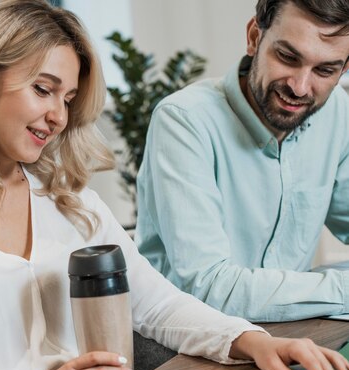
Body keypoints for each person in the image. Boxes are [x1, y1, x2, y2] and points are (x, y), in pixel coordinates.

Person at [0, 0, 349, 370]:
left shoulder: (70, 205)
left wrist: (254, 342)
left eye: (67, 99)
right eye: (43, 89)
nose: (57, 116)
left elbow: (158, 305)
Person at [135, 0, 349, 323]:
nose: (300, 87)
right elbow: (209, 289)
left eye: (325, 70)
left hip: (291, 331)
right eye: (288, 57)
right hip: (188, 343)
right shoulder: (183, 122)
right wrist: (341, 289)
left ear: (344, 70)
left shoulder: (336, 113)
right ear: (253, 37)